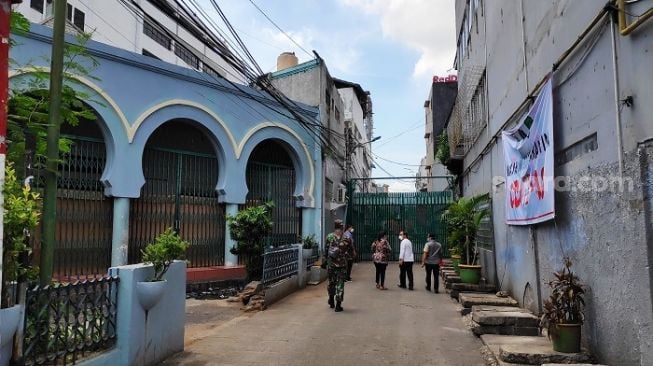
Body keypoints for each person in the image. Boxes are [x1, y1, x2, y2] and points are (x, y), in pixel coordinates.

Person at [326, 220, 348, 312]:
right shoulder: (346, 238)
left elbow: (326, 249)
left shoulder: (329, 236)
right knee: (340, 284)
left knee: (331, 282)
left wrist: (325, 261)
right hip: (341, 265)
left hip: (331, 264)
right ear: (342, 227)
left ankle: (331, 299)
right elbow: (349, 251)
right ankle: (338, 305)